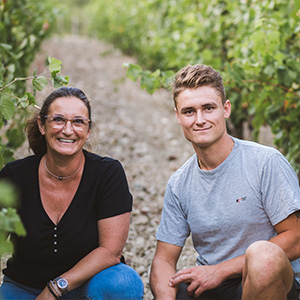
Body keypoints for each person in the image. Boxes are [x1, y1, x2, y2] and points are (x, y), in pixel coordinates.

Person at [150, 64, 300, 300]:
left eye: (208, 108)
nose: (200, 119)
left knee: (263, 255)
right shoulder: (179, 183)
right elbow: (163, 259)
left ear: (226, 109)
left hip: (271, 284)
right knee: (173, 285)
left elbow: (296, 238)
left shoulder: (265, 162)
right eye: (189, 111)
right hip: (214, 288)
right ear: (178, 117)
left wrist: (220, 270)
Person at [0, 87, 144, 300]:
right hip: (25, 288)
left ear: (87, 131)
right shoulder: (14, 176)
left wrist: (54, 289)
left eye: (78, 122)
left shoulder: (107, 174)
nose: (68, 130)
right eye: (58, 120)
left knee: (124, 284)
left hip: (87, 286)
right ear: (42, 125)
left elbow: (110, 251)